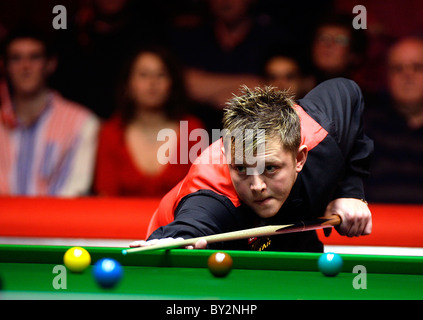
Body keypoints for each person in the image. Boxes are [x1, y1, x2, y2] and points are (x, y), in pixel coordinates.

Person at [131, 78, 373, 252]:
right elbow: (195, 222)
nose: (256, 186)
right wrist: (176, 238)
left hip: (294, 232)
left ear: (299, 158)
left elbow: (348, 91)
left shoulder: (322, 132)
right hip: (199, 251)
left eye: (270, 168)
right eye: (242, 169)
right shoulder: (213, 192)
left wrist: (350, 192)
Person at [94, 46, 205, 197]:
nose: (152, 82)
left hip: (181, 220)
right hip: (121, 220)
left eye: (161, 75)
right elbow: (105, 198)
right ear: (128, 85)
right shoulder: (111, 132)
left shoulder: (192, 130)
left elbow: (202, 195)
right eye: (143, 75)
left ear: (172, 84)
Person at [0, 26, 99, 196]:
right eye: (16, 58)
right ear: (5, 66)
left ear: (50, 64)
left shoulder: (81, 123)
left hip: (59, 221)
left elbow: (76, 190)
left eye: (34, 57)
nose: (25, 66)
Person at [364, 37, 423, 203]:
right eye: (398, 68)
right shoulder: (366, 127)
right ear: (387, 77)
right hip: (378, 225)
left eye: (417, 67)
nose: (407, 75)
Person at [311, 14, 367, 87]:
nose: (328, 44)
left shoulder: (358, 95)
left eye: (340, 40)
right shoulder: (295, 90)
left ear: (353, 53)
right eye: (323, 38)